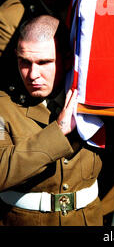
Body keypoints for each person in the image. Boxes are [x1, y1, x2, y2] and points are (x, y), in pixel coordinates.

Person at [0, 15, 103, 225]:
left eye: (44, 62)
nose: (32, 75)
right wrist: (59, 130)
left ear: (67, 59)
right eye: (25, 62)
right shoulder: (3, 105)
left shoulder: (92, 100)